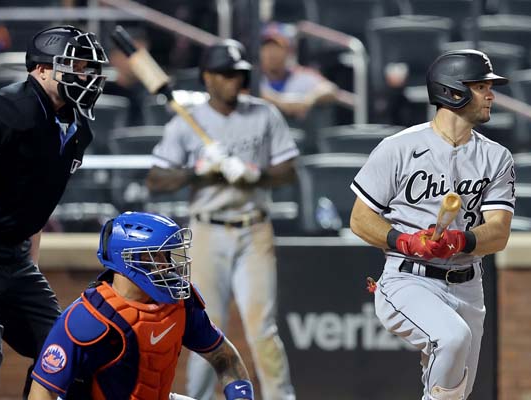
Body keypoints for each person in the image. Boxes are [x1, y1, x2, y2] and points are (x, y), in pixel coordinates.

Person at [0, 25, 108, 399]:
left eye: (87, 67)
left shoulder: (77, 128)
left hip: (14, 255)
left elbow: (39, 199)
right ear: (41, 69)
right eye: (74, 65)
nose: (84, 75)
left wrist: (31, 263)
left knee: (65, 352)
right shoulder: (6, 108)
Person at [349, 49, 515, 400]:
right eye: (481, 86)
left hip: (468, 283)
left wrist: (460, 241)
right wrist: (404, 241)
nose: (490, 95)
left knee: (454, 391)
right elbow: (360, 219)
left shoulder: (496, 156)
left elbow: (498, 232)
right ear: (453, 91)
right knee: (452, 338)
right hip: (409, 277)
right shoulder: (398, 148)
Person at [146, 39, 297, 400]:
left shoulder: (263, 113)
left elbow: (289, 170)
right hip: (206, 230)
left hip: (253, 228)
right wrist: (200, 173)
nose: (235, 81)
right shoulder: (188, 121)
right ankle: (195, 399)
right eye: (227, 75)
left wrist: (253, 174)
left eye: (239, 74)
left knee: (262, 329)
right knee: (203, 326)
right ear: (208, 77)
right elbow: (156, 179)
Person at [28, 211, 254, 400]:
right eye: (154, 256)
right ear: (126, 259)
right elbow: (42, 391)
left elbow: (225, 359)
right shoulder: (86, 319)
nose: (166, 266)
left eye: (166, 256)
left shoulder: (180, 304)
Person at [259, 22, 338, 120]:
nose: (272, 54)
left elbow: (331, 90)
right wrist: (279, 102)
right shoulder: (252, 76)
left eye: (278, 48)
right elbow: (245, 91)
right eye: (267, 48)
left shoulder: (302, 75)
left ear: (289, 51)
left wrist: (308, 100)